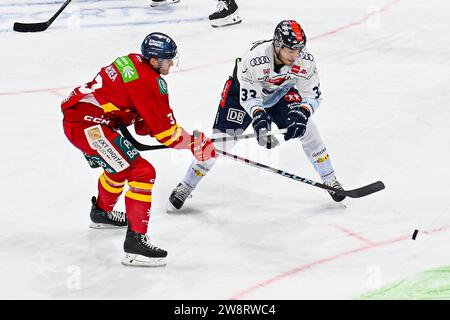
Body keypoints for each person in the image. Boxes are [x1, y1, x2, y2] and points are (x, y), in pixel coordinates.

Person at [61, 32, 216, 267]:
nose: (171, 64)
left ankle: (101, 213)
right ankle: (136, 244)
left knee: (119, 167)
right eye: (167, 59)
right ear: (153, 61)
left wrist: (143, 119)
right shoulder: (150, 82)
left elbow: (131, 108)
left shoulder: (132, 60)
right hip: (89, 127)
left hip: (82, 118)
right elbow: (167, 133)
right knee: (142, 172)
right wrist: (196, 143)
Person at [168, 20, 346, 212]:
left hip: (280, 93)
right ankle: (185, 186)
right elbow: (250, 99)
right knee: (221, 143)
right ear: (277, 45)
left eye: (299, 50)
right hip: (240, 95)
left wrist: (303, 113)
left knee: (309, 128)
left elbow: (312, 95)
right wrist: (259, 119)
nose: (295, 56)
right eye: (290, 50)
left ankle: (330, 180)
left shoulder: (305, 61)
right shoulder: (255, 59)